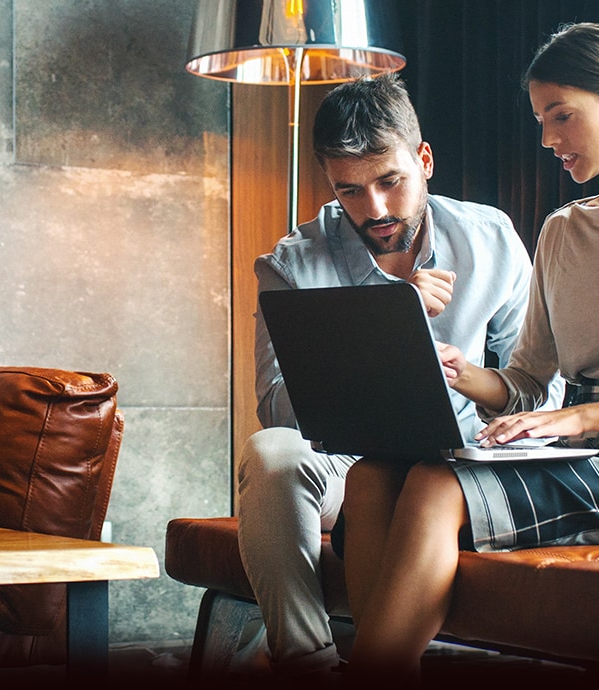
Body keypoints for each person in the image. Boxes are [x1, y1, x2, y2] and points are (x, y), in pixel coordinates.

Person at [338, 22, 599, 685]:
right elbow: (531, 383)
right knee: (369, 477)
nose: (546, 139)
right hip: (578, 450)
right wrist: (459, 371)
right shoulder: (564, 228)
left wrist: (576, 420)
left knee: (434, 484)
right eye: (541, 119)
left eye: (560, 116)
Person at [235, 72, 550, 683]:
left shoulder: (492, 241)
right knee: (270, 455)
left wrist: (481, 393)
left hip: (457, 458)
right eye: (350, 192)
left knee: (422, 482)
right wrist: (388, 315)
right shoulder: (291, 263)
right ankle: (306, 662)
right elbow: (276, 408)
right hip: (341, 462)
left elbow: (535, 386)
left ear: (424, 160)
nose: (375, 210)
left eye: (390, 181)